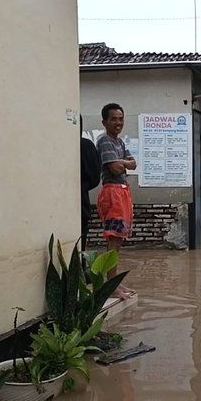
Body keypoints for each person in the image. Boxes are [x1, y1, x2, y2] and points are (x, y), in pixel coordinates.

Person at [96, 103, 136, 299]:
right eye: (114, 119)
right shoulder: (104, 141)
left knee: (118, 239)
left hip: (123, 192)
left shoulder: (119, 142)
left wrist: (124, 163)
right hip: (112, 192)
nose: (118, 122)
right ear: (105, 122)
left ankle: (113, 283)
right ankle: (110, 286)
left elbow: (133, 163)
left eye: (121, 118)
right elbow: (115, 169)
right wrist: (124, 163)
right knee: (113, 239)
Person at [80, 116, 101, 250]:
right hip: (82, 204)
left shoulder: (86, 146)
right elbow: (94, 178)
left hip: (81, 204)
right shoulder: (86, 145)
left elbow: (94, 176)